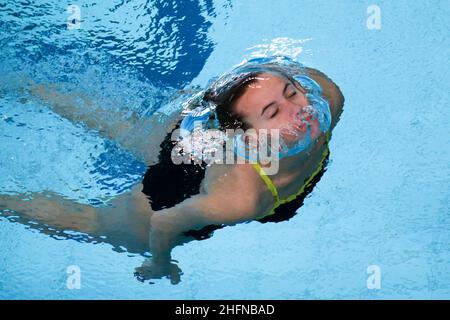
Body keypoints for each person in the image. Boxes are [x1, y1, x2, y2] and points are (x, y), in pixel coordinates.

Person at [0, 56, 344, 284]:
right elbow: (164, 222)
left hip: (194, 135)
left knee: (129, 130)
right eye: (273, 112)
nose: (302, 110)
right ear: (251, 140)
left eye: (291, 92)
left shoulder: (326, 97)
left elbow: (278, 75)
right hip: (183, 182)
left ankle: (29, 88)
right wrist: (159, 263)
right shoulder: (240, 199)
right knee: (97, 224)